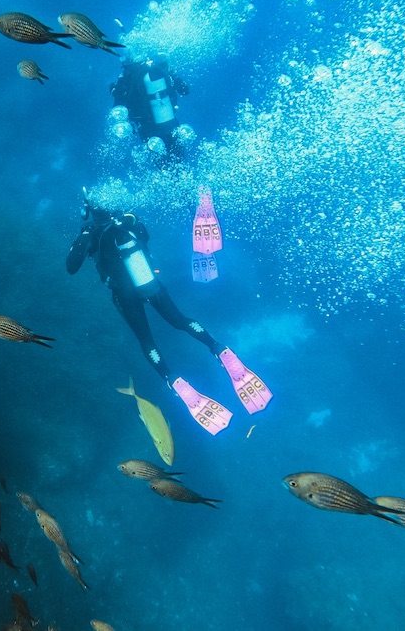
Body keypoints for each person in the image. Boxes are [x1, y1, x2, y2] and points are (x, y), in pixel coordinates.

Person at [66, 192, 272, 433]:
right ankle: (217, 348)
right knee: (180, 321)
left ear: (89, 210)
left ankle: (171, 378)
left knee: (147, 340)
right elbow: (145, 236)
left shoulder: (92, 232)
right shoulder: (126, 220)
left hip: (125, 294)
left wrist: (84, 238)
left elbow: (71, 267)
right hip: (148, 281)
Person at [109, 55, 190, 156]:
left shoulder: (127, 76)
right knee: (178, 155)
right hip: (168, 118)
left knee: (160, 159)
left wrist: (114, 91)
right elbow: (185, 90)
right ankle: (183, 170)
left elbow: (118, 108)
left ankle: (168, 170)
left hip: (146, 125)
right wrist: (171, 73)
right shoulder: (157, 69)